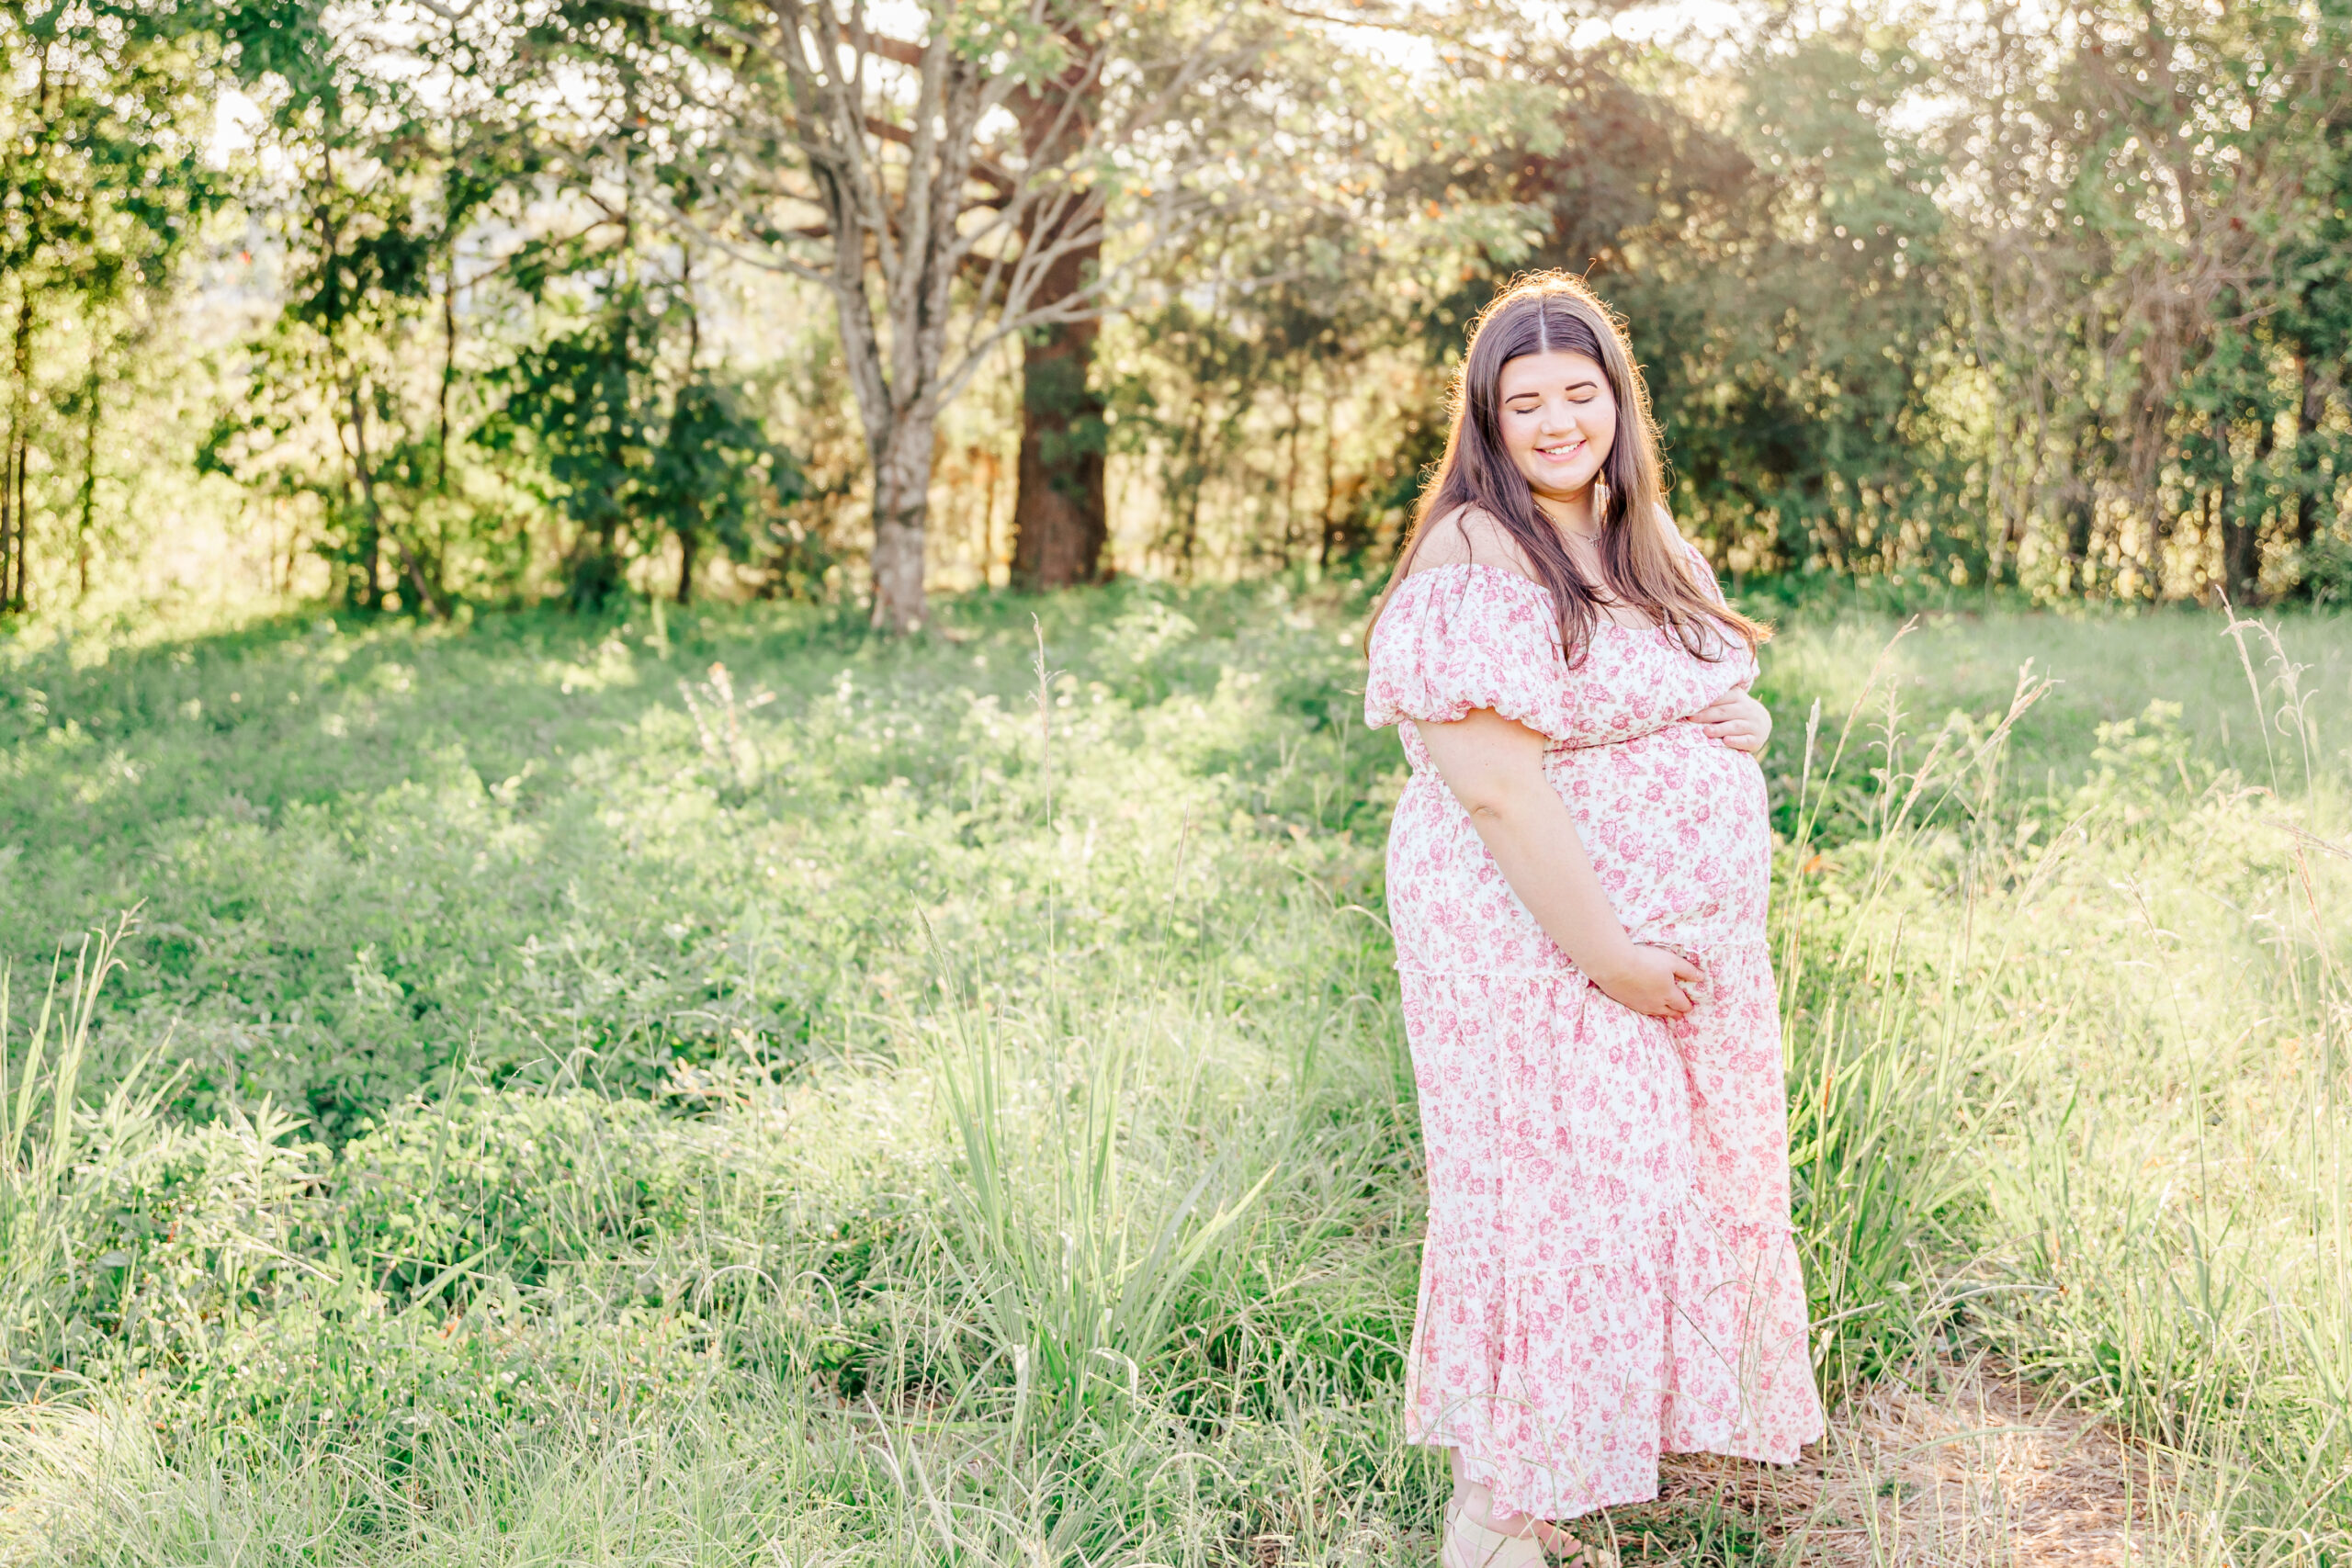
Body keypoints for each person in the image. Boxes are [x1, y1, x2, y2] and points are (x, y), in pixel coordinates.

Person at [1363, 272, 1826, 1567]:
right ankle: (1496, 1521)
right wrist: (1610, 953)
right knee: (1544, 1200)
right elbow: (1500, 792)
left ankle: (1550, 1487)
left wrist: (1741, 723)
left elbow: (1672, 684)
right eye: (1528, 402)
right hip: (1533, 939)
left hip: (1636, 953)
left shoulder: (1636, 534)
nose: (1559, 421)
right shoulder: (1476, 554)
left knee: (1625, 1197)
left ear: (1620, 403)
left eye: (1582, 392)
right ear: (1487, 420)